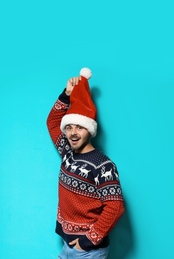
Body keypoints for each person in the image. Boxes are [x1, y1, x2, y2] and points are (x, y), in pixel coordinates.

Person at [47, 68, 125, 259]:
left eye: (80, 127)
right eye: (70, 127)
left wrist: (88, 240)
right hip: (67, 242)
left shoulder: (103, 165)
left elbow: (115, 207)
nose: (73, 133)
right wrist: (66, 95)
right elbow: (52, 122)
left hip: (88, 250)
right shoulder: (67, 151)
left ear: (89, 130)